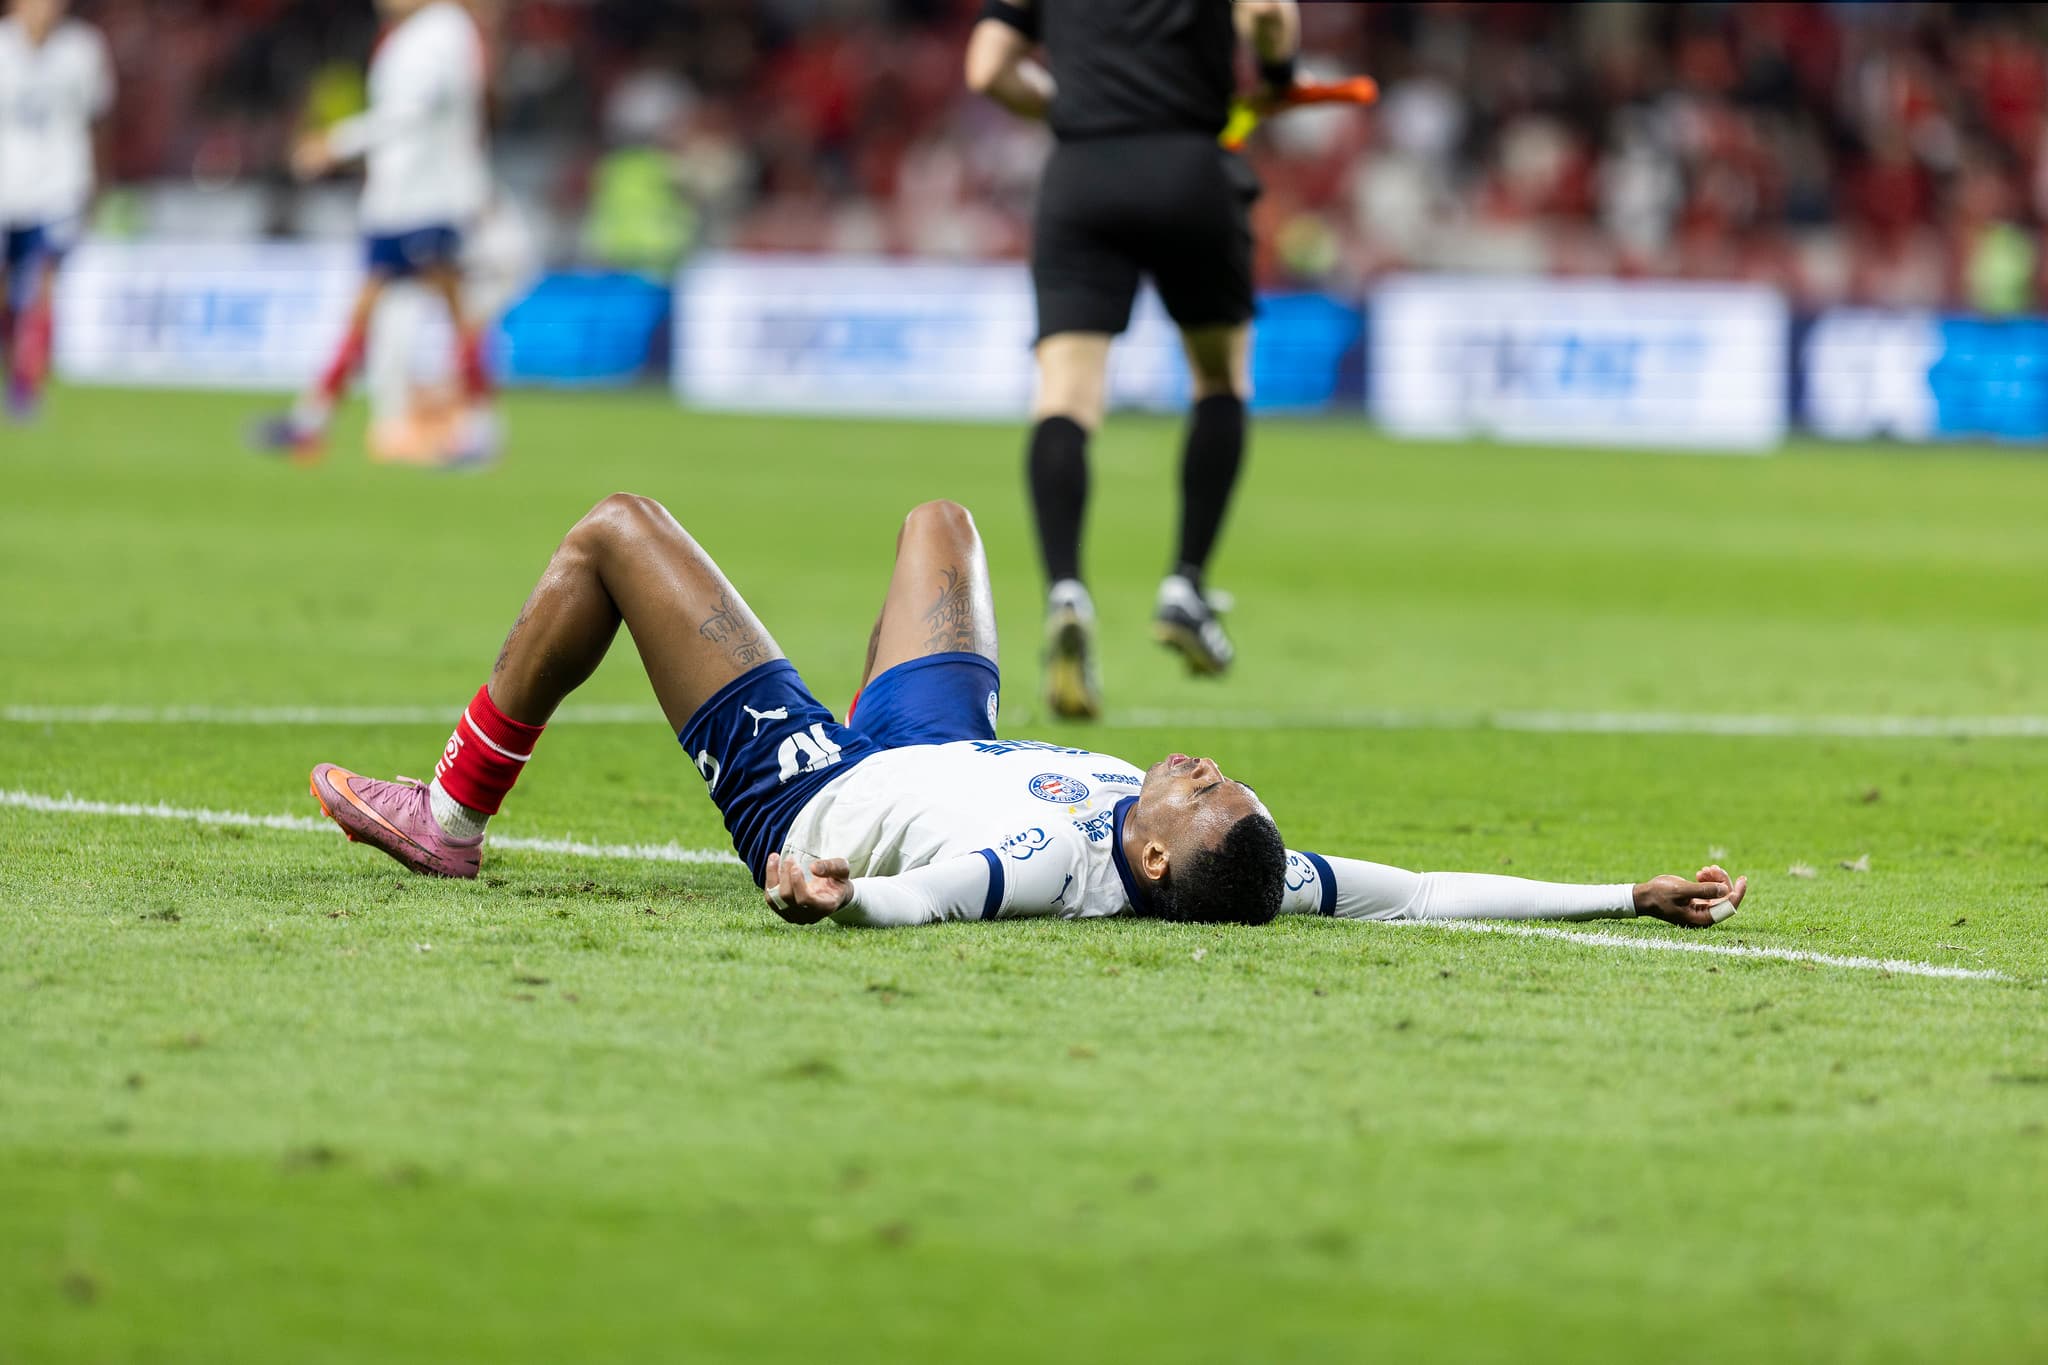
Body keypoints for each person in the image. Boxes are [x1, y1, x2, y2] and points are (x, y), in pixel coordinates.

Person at [308, 493, 1747, 933]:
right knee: (943, 526)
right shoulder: (1256, 876)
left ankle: (446, 814)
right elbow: (1425, 892)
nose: (1202, 767)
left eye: (1201, 794)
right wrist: (1627, 890)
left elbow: (934, 893)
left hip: (821, 788)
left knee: (618, 535)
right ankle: (850, 678)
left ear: (1157, 860)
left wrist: (828, 893)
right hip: (946, 738)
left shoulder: (1063, 868)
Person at [964, 0, 1299, 719]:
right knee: (1218, 377)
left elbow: (987, 67)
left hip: (1084, 172)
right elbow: (1269, 13)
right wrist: (1276, 73)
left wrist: (1067, 107)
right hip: (1190, 168)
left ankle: (1065, 590)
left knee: (1066, 395)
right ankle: (1186, 584)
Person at [254, 0, 496, 465]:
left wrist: (337, 143)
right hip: (397, 200)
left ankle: (477, 432)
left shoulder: (441, 31)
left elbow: (411, 113)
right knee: (379, 309)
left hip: (431, 197)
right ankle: (311, 423)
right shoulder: (411, 34)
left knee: (455, 309)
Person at [0, 0, 112, 421]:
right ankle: (11, 364)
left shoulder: (83, 49)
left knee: (45, 284)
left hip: (60, 185)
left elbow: (100, 119)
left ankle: (27, 384)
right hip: (5, 185)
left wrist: (100, 183)